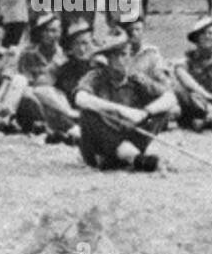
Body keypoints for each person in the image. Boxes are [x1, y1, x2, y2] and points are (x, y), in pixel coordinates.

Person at [74, 32, 177, 171]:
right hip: (102, 143)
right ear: (109, 59)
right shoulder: (96, 76)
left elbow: (170, 97)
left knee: (162, 110)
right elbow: (80, 98)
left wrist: (144, 113)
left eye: (128, 55)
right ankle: (135, 158)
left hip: (130, 135)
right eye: (120, 55)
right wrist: (121, 110)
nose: (126, 60)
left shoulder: (136, 79)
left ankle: (130, 156)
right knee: (87, 114)